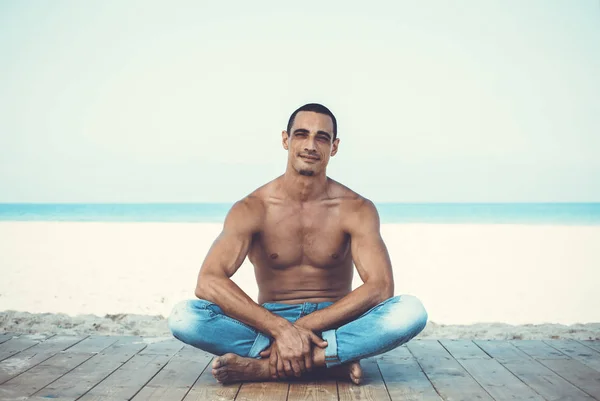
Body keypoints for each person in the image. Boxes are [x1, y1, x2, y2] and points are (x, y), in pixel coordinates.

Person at [168, 103, 428, 384]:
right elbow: (208, 281)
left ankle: (267, 367)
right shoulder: (253, 208)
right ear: (285, 139)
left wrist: (299, 329)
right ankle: (330, 362)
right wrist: (279, 328)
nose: (310, 145)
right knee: (184, 317)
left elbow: (380, 288)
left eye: (322, 137)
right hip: (269, 322)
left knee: (411, 311)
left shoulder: (356, 208)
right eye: (301, 134)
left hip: (335, 320)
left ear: (334, 146)